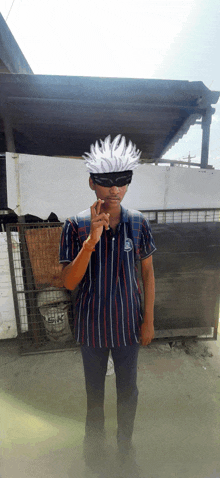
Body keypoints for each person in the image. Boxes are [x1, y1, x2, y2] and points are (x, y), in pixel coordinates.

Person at [59, 134, 156, 462]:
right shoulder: (74, 226)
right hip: (92, 328)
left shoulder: (139, 223)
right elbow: (70, 282)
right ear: (92, 183)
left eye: (122, 181)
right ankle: (94, 447)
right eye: (106, 181)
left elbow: (147, 275)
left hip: (129, 325)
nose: (114, 189)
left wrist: (148, 320)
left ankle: (125, 446)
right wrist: (91, 241)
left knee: (128, 391)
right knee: (95, 393)